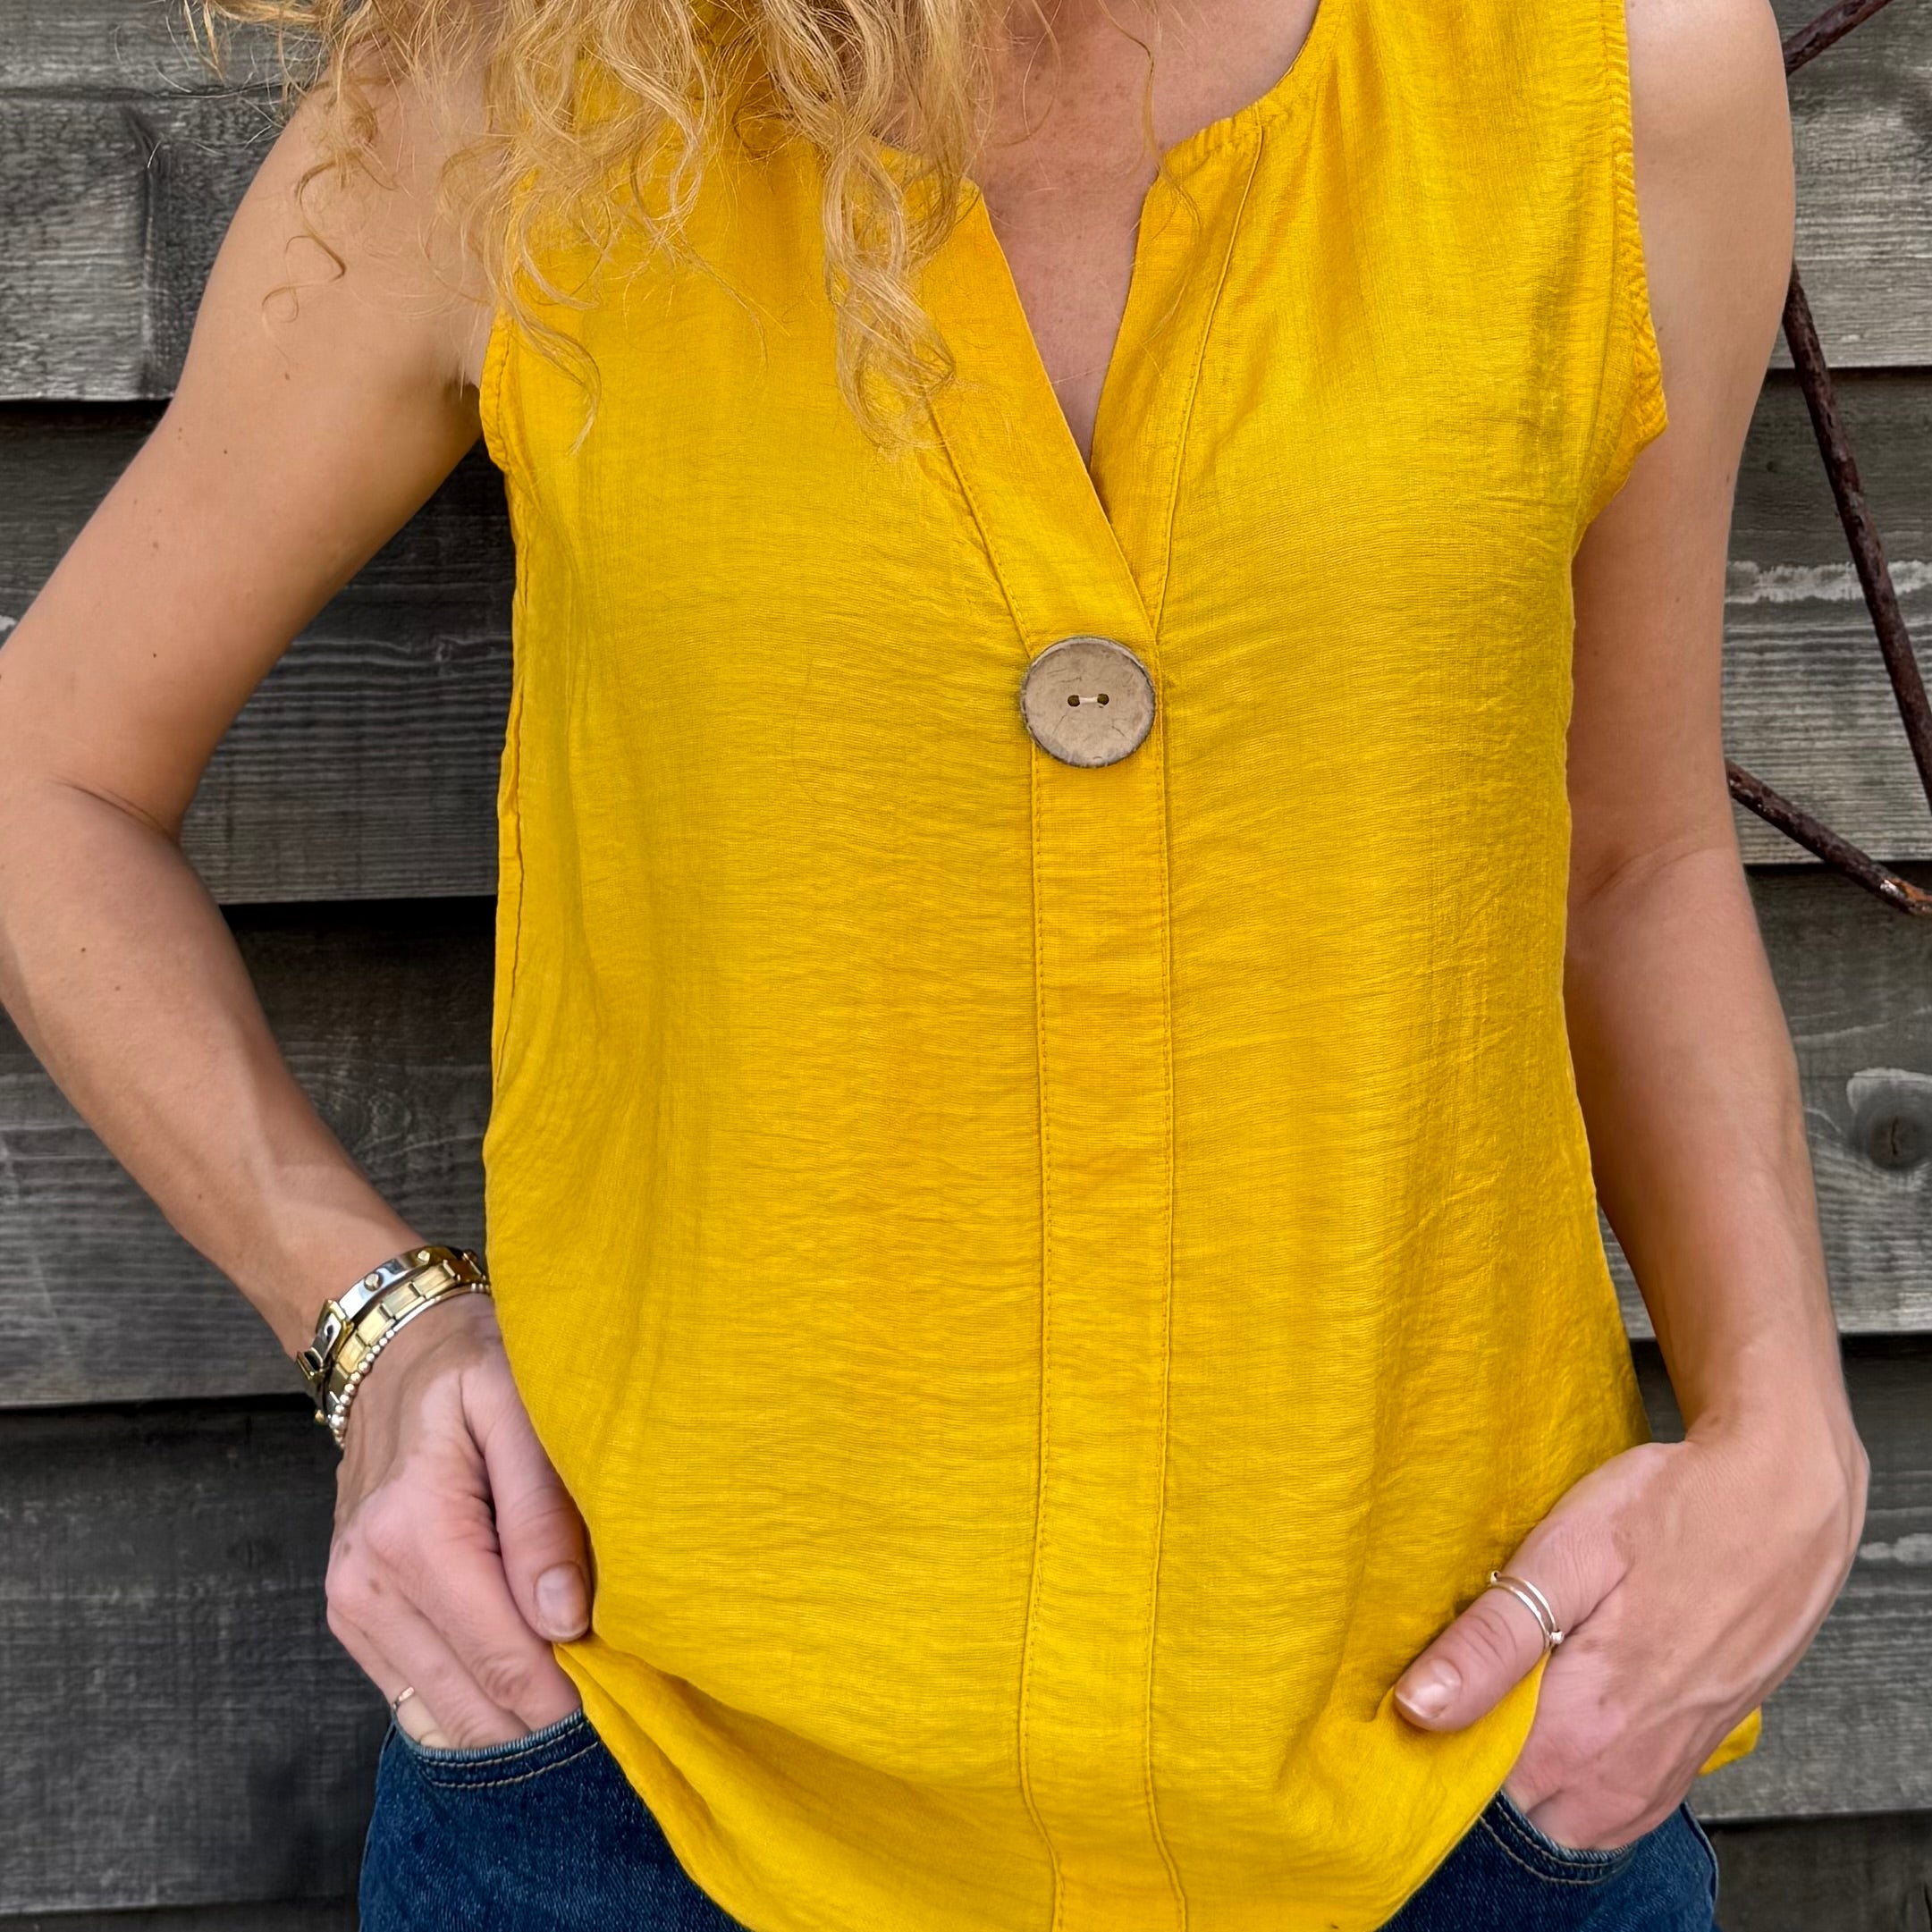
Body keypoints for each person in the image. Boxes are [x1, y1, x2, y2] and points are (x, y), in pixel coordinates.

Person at [0, 0, 1869, 1922]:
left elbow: (1627, 852)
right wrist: (367, 1314)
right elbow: (44, 773)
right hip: (644, 1800)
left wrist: (1781, 1424)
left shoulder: (1608, 68)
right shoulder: (524, 94)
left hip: (1456, 1790)